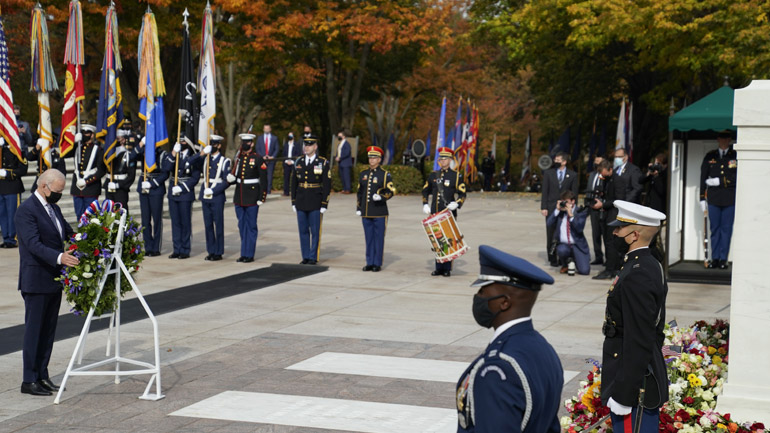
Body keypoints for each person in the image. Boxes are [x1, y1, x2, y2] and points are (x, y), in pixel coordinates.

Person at [456, 244, 563, 433]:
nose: (478, 297)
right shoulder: (543, 349)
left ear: (504, 302)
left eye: (483, 291)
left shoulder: (496, 369)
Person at [601, 200, 668, 433]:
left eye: (619, 228)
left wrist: (624, 394)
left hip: (634, 388)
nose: (615, 232)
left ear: (634, 235)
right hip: (634, 376)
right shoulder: (645, 265)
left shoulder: (638, 274)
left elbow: (639, 337)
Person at [15, 169, 78, 396]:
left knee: (48, 331)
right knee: (34, 331)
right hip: (36, 279)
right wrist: (60, 257)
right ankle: (28, 379)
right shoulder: (26, 211)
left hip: (53, 278)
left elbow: (68, 233)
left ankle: (42, 375)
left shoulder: (54, 208)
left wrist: (90, 237)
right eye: (57, 191)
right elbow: (33, 244)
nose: (59, 195)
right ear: (44, 187)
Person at [422, 147, 467, 277]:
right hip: (435, 213)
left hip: (448, 213)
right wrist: (425, 204)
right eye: (441, 158)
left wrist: (457, 204)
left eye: (445, 158)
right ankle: (438, 266)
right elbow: (425, 190)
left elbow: (463, 193)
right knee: (437, 240)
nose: (442, 161)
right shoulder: (433, 175)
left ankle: (447, 267)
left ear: (450, 160)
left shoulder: (456, 176)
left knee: (448, 240)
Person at [226, 133, 268, 263]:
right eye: (243, 142)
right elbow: (237, 176)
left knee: (251, 226)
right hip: (239, 196)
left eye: (247, 142)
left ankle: (249, 254)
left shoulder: (257, 158)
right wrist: (231, 179)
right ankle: (243, 252)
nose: (245, 144)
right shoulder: (239, 158)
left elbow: (264, 180)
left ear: (252, 144)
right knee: (241, 225)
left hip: (252, 196)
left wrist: (262, 196)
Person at [290, 134, 331, 265]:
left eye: (309, 145)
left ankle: (313, 256)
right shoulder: (299, 162)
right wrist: (293, 201)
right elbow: (293, 183)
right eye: (305, 145)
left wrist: (324, 203)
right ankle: (305, 256)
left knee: (315, 231)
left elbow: (327, 185)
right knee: (303, 230)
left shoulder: (322, 162)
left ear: (315, 146)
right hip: (301, 199)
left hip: (315, 200)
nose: (306, 147)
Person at [700, 130, 737, 269]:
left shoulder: (734, 156)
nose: (723, 141)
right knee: (714, 229)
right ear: (718, 139)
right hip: (714, 199)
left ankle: (723, 259)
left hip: (729, 199)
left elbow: (737, 177)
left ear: (729, 140)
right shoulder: (710, 156)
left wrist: (720, 181)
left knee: (726, 229)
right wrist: (702, 199)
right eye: (721, 138)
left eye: (726, 138)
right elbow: (703, 176)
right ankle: (714, 258)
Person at [190, 135, 231, 261]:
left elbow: (226, 181)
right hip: (205, 195)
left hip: (217, 196)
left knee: (218, 224)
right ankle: (211, 250)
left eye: (214, 144)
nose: (212, 146)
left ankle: (218, 251)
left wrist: (214, 190)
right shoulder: (205, 159)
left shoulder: (225, 161)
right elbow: (189, 162)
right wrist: (201, 154)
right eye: (210, 144)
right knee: (208, 225)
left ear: (219, 146)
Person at [356, 146, 395, 272]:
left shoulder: (384, 175)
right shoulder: (363, 174)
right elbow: (360, 193)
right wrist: (359, 207)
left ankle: (377, 263)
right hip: (366, 212)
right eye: (370, 157)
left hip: (379, 212)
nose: (371, 160)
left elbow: (391, 190)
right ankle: (369, 262)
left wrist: (382, 197)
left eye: (374, 158)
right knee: (369, 238)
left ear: (379, 159)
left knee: (378, 238)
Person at [162, 134, 200, 259]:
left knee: (185, 222)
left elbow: (195, 178)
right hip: (173, 192)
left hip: (185, 193)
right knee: (175, 222)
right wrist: (173, 153)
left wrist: (183, 187)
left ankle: (185, 249)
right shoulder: (173, 154)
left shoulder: (193, 156)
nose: (181, 143)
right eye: (179, 141)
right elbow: (166, 168)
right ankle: (176, 248)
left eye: (183, 141)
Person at [540, 152, 579, 266]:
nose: (555, 162)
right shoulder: (549, 173)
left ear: (564, 162)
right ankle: (552, 258)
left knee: (563, 231)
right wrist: (544, 207)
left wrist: (572, 207)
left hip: (566, 208)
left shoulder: (572, 175)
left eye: (558, 160)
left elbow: (574, 193)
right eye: (555, 160)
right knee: (551, 232)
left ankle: (564, 257)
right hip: (552, 207)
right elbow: (545, 191)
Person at [134, 137, 168, 257]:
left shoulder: (162, 154)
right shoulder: (143, 151)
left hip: (156, 189)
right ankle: (148, 247)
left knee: (157, 219)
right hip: (143, 187)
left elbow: (165, 173)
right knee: (145, 220)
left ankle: (156, 247)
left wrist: (152, 184)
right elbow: (132, 156)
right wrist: (141, 144)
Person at [546, 190, 590, 275]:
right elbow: (549, 223)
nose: (565, 204)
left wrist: (571, 215)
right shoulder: (560, 213)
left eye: (566, 202)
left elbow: (579, 228)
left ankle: (575, 260)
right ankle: (565, 264)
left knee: (584, 271)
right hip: (564, 245)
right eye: (563, 201)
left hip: (577, 245)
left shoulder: (580, 211)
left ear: (573, 201)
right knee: (562, 250)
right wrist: (557, 210)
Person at [69, 124, 106, 220]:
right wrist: (73, 142)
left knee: (91, 217)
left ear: (92, 135)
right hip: (77, 188)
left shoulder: (98, 150)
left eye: (86, 133)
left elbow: (101, 170)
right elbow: (65, 153)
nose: (84, 135)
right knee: (79, 216)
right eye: (83, 133)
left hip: (91, 188)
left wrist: (87, 181)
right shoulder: (77, 148)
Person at [0, 138, 28, 248]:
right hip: (1, 187)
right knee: (2, 215)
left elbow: (23, 169)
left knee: (13, 214)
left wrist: (7, 173)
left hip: (12, 186)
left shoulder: (17, 150)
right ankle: (6, 238)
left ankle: (13, 239)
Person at [103, 130, 137, 211]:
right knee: (109, 213)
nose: (115, 142)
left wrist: (118, 185)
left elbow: (131, 176)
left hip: (121, 188)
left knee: (121, 212)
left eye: (117, 139)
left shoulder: (128, 155)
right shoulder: (109, 154)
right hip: (109, 184)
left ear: (123, 140)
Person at [586, 155, 606, 265]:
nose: (596, 164)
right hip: (593, 208)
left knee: (605, 233)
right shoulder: (592, 175)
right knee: (595, 234)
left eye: (599, 162)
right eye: (595, 161)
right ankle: (598, 256)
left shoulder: (606, 176)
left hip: (603, 208)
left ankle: (609, 258)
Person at [255, 124, 279, 194]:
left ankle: (268, 191)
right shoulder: (260, 138)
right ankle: (262, 190)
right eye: (265, 128)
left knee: (270, 176)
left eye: (268, 128)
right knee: (262, 175)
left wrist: (273, 156)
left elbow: (276, 149)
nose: (266, 130)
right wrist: (262, 156)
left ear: (270, 129)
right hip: (262, 159)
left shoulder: (274, 138)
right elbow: (257, 148)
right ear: (263, 129)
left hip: (271, 160)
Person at [282, 132, 302, 196]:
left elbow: (298, 154)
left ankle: (294, 191)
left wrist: (292, 161)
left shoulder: (296, 145)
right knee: (286, 178)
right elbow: (284, 154)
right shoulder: (285, 145)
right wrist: (286, 161)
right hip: (286, 163)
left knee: (294, 178)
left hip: (293, 163)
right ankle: (286, 192)